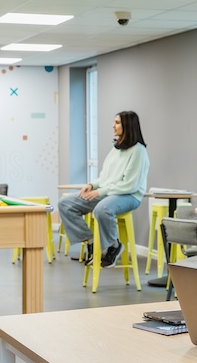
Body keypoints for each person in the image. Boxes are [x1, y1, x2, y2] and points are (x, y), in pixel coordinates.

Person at [58, 111, 149, 268]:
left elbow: (130, 185)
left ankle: (114, 245)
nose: (113, 125)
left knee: (102, 209)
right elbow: (105, 177)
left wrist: (100, 192)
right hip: (109, 193)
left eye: (117, 122)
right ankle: (91, 241)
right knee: (65, 203)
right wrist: (92, 185)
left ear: (128, 125)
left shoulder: (138, 151)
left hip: (129, 195)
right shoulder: (116, 149)